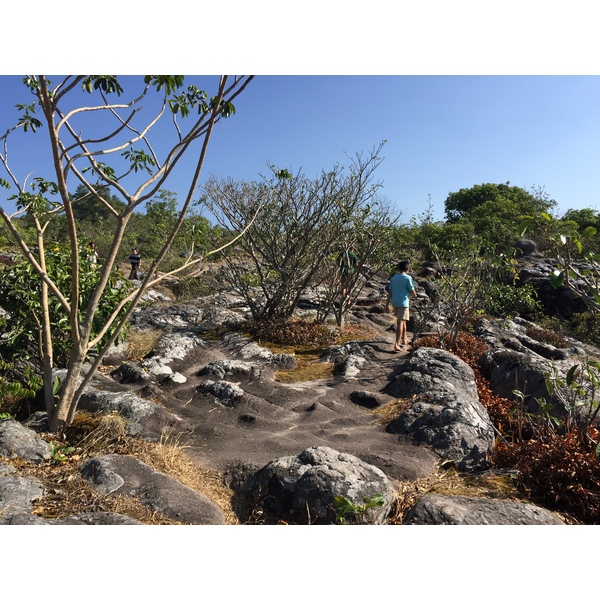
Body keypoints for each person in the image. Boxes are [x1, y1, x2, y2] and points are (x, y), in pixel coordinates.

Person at [385, 260, 417, 352]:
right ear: (408, 269)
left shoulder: (394, 278)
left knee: (403, 321)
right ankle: (397, 344)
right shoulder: (408, 278)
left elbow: (390, 292)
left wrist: (386, 305)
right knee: (400, 322)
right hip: (403, 302)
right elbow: (412, 290)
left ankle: (404, 338)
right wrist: (415, 295)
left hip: (394, 302)